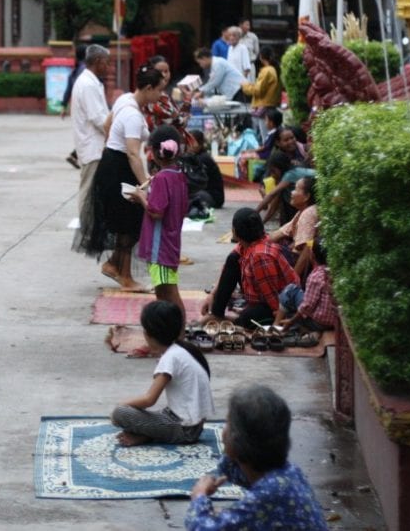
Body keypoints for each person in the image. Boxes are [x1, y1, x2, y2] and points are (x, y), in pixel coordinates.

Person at [186, 385, 328, 530]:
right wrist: (231, 450)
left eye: (228, 423)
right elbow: (229, 470)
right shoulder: (289, 472)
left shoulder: (269, 494)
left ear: (237, 441)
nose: (223, 430)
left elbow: (202, 528)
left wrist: (199, 496)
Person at [81, 66, 166, 292]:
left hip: (113, 162)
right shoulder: (132, 115)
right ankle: (126, 277)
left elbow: (108, 124)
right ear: (148, 88)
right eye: (158, 90)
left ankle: (114, 266)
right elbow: (132, 153)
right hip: (120, 166)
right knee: (129, 223)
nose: (160, 96)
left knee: (128, 221)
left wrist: (112, 145)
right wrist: (146, 184)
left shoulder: (125, 99)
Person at [111, 300, 215, 446]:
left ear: (148, 334)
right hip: (191, 424)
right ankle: (146, 436)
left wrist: (121, 405)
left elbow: (149, 399)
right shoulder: (183, 349)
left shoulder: (170, 358)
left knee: (120, 413)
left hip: (184, 430)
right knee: (154, 415)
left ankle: (149, 436)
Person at [199, 208, 299, 327]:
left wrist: (279, 320)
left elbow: (272, 297)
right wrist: (212, 295)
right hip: (262, 296)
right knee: (232, 259)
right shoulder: (246, 244)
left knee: (248, 317)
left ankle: (228, 320)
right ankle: (217, 313)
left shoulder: (260, 256)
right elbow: (227, 269)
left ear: (235, 231)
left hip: (283, 305)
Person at [129, 127, 190, 314]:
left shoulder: (162, 178)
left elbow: (156, 212)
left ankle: (178, 333)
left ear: (155, 153)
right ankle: (172, 333)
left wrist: (140, 197)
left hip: (160, 247)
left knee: (167, 293)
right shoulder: (177, 175)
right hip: (171, 242)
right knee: (165, 293)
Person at [70, 44, 111, 230]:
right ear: (97, 62)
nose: (108, 67)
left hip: (95, 144)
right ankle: (87, 231)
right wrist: (114, 133)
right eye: (106, 63)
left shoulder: (92, 82)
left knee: (95, 189)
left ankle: (93, 228)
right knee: (88, 189)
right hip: (91, 145)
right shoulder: (87, 84)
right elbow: (98, 118)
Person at [274, 239, 340, 333]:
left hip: (318, 323)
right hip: (334, 321)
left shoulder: (316, 276)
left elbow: (307, 306)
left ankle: (276, 326)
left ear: (312, 255)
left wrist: (291, 321)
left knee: (291, 289)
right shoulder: (337, 272)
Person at [267, 175, 318, 260]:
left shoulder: (309, 213)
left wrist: (294, 273)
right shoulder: (301, 212)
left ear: (306, 197)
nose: (291, 192)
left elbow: (305, 250)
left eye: (296, 189)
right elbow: (277, 234)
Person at [61, 43, 89, 169]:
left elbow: (69, 87)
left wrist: (63, 105)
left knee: (85, 133)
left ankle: (76, 155)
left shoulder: (77, 69)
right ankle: (77, 155)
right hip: (85, 107)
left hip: (77, 107)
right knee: (89, 133)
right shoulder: (85, 70)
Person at [188, 129, 225, 209]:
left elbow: (196, 181)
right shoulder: (194, 157)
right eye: (188, 142)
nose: (189, 145)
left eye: (192, 142)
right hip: (205, 193)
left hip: (213, 197)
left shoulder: (203, 158)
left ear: (200, 144)